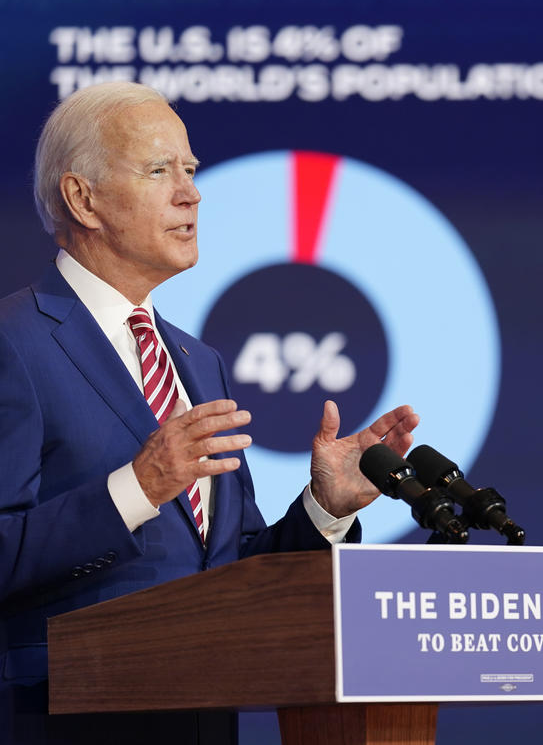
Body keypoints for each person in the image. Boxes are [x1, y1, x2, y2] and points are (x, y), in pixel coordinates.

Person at [0, 82, 419, 744]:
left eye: (190, 170)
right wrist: (138, 488)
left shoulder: (196, 362)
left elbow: (230, 570)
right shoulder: (13, 341)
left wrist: (325, 508)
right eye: (158, 170)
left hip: (201, 719)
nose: (191, 193)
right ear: (82, 198)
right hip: (60, 719)